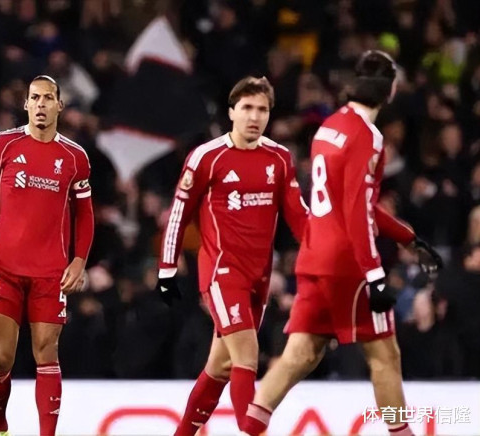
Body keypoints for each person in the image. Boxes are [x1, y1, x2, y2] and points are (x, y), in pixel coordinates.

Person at [239, 51, 443, 436]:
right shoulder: (368, 137)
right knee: (384, 355)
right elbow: (355, 210)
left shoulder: (329, 127)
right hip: (348, 265)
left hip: (314, 256)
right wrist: (375, 275)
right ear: (390, 91)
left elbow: (349, 201)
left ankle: (249, 428)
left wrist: (407, 238)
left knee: (300, 354)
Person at [155, 76, 308, 435]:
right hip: (222, 273)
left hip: (260, 277)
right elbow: (179, 214)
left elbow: (299, 218)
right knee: (247, 358)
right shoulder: (207, 157)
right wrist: (166, 268)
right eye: (247, 108)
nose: (254, 116)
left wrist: (326, 256)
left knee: (220, 367)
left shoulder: (279, 158)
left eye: (262, 109)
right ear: (231, 112)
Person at [0, 75, 94, 436]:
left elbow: (85, 214)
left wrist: (79, 260)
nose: (40, 104)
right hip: (4, 266)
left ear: (60, 106)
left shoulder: (75, 158)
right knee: (0, 359)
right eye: (34, 98)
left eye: (47, 98)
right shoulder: (4, 144)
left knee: (47, 353)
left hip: (51, 272)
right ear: (25, 104)